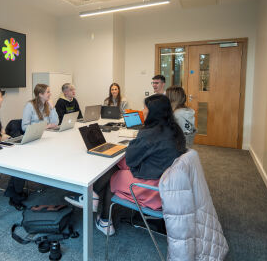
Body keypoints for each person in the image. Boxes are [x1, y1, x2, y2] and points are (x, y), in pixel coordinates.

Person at [65, 94, 187, 235]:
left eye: (145, 108)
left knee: (114, 172)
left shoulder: (150, 133)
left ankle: (103, 219)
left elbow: (131, 160)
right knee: (115, 164)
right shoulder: (173, 129)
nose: (143, 111)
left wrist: (136, 141)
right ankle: (92, 196)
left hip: (152, 189)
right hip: (164, 180)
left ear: (153, 112)